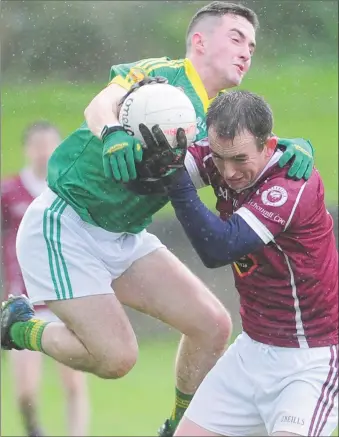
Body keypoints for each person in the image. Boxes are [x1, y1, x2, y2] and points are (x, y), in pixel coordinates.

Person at [1, 2, 314, 436]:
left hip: (125, 235)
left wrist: (286, 151)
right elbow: (102, 104)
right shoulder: (161, 75)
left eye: (253, 45)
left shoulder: (220, 115)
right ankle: (20, 326)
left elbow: (249, 153)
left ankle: (177, 426)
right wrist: (111, 132)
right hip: (67, 223)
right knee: (117, 360)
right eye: (237, 38)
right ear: (200, 41)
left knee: (212, 326)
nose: (247, 51)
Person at [154, 90, 337, 437]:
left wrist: (175, 182)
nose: (228, 172)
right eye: (220, 158)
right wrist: (130, 134)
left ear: (269, 146)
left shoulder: (292, 182)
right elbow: (150, 178)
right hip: (251, 351)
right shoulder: (221, 155)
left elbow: (219, 248)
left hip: (310, 359)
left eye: (240, 159)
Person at [1, 122, 90, 437]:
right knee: (25, 392)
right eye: (37, 145)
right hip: (23, 302)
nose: (44, 152)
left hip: (64, 297)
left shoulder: (67, 189)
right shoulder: (9, 191)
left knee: (74, 382)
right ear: (27, 149)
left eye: (50, 145)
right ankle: (35, 431)